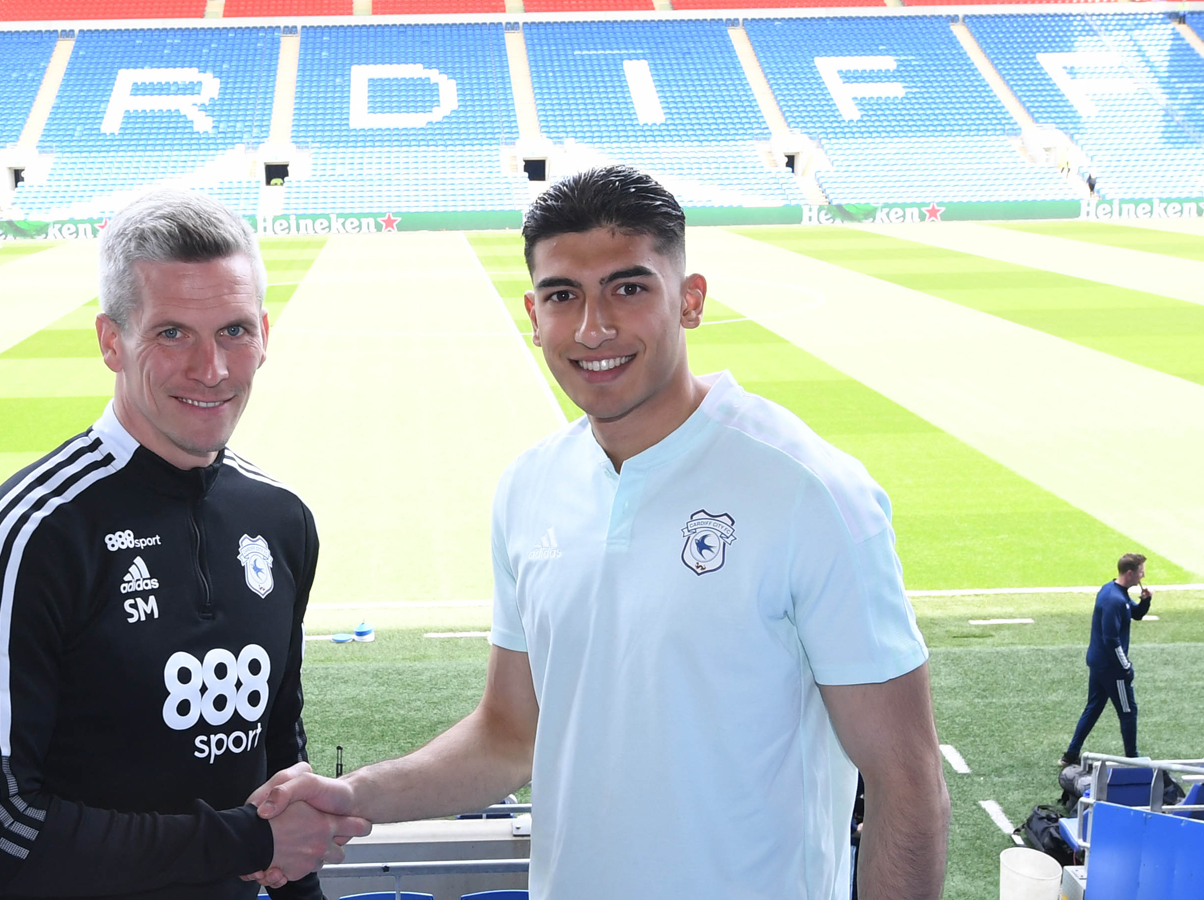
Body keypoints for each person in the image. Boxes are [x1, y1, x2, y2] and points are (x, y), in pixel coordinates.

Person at [247, 166, 950, 899]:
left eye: (628, 287)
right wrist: (354, 794)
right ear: (532, 313)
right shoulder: (530, 487)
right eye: (563, 296)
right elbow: (509, 735)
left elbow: (907, 783)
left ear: (691, 300)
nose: (593, 328)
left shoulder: (811, 491)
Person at [0, 189, 368, 900]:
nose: (212, 369)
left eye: (233, 331)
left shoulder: (281, 520)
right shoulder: (26, 536)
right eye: (171, 334)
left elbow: (278, 758)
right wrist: (247, 840)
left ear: (264, 332)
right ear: (110, 341)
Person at [1061, 553, 1153, 766]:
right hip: (1112, 668)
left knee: (1093, 707)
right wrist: (1126, 667)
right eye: (1141, 571)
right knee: (1128, 711)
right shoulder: (1115, 600)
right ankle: (1133, 758)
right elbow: (1111, 639)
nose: (1144, 575)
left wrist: (1145, 600)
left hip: (1099, 663)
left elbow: (1136, 614)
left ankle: (1070, 754)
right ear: (1130, 573)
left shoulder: (1113, 591)